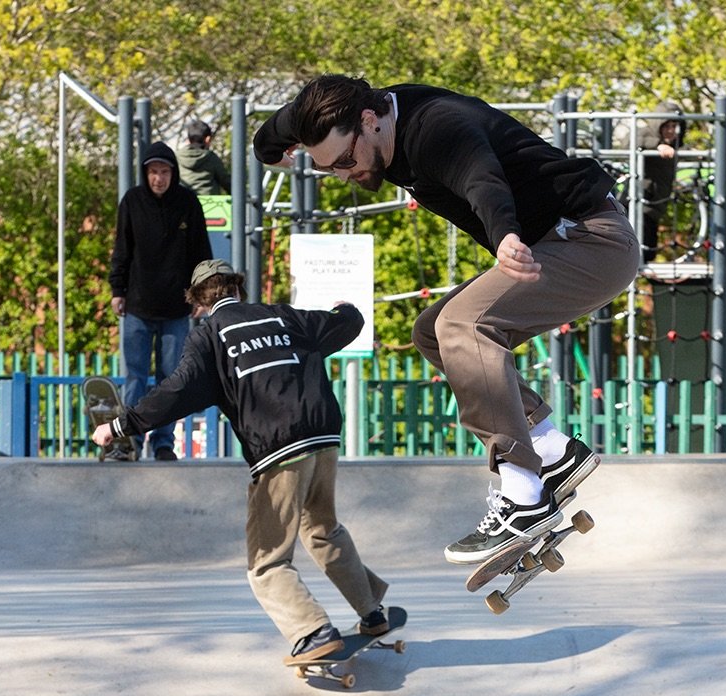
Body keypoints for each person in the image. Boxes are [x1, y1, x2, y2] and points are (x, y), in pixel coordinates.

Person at [254, 75, 640, 564]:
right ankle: (552, 448)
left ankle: (524, 495)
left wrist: (503, 235)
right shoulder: (334, 115)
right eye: (328, 169)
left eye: (347, 161)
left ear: (369, 123)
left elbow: (483, 179)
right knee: (432, 332)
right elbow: (285, 121)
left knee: (462, 324)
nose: (344, 174)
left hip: (589, 241)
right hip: (552, 247)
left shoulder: (437, 126)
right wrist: (267, 145)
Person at [92, 259, 389, 665]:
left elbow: (175, 392)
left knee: (267, 561)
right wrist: (347, 310)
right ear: (237, 289)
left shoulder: (210, 335)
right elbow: (346, 323)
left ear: (198, 302)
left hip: (279, 449)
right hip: (323, 437)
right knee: (323, 529)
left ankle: (312, 631)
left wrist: (121, 425)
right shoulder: (282, 316)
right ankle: (372, 611)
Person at [108, 141, 212, 462]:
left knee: (170, 379)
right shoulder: (133, 202)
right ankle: (131, 442)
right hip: (138, 306)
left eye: (164, 172)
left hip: (176, 309)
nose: (158, 179)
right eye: (153, 172)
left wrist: (202, 295)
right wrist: (117, 290)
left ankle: (164, 443)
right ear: (145, 174)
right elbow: (121, 248)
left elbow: (201, 252)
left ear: (173, 173)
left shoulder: (187, 203)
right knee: (135, 377)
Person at [637, 102, 686, 263]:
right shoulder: (646, 134)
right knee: (640, 252)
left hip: (655, 208)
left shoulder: (675, 146)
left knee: (649, 253)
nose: (671, 131)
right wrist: (657, 146)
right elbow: (630, 142)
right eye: (667, 126)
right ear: (658, 126)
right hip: (640, 205)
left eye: (674, 126)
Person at [177, 120, 231, 195]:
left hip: (183, 202)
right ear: (207, 139)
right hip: (209, 203)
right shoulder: (211, 158)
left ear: (189, 139)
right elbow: (226, 181)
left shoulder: (177, 156)